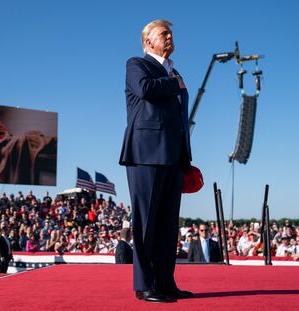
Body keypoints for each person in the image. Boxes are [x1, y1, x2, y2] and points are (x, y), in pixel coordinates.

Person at [119, 19, 193, 302]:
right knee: (146, 222)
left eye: (171, 33)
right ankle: (144, 285)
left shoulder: (176, 73)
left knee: (167, 225)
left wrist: (186, 155)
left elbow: (181, 120)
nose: (170, 37)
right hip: (145, 153)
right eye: (164, 33)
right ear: (148, 40)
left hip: (174, 156)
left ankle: (165, 283)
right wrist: (174, 83)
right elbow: (145, 89)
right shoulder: (136, 64)